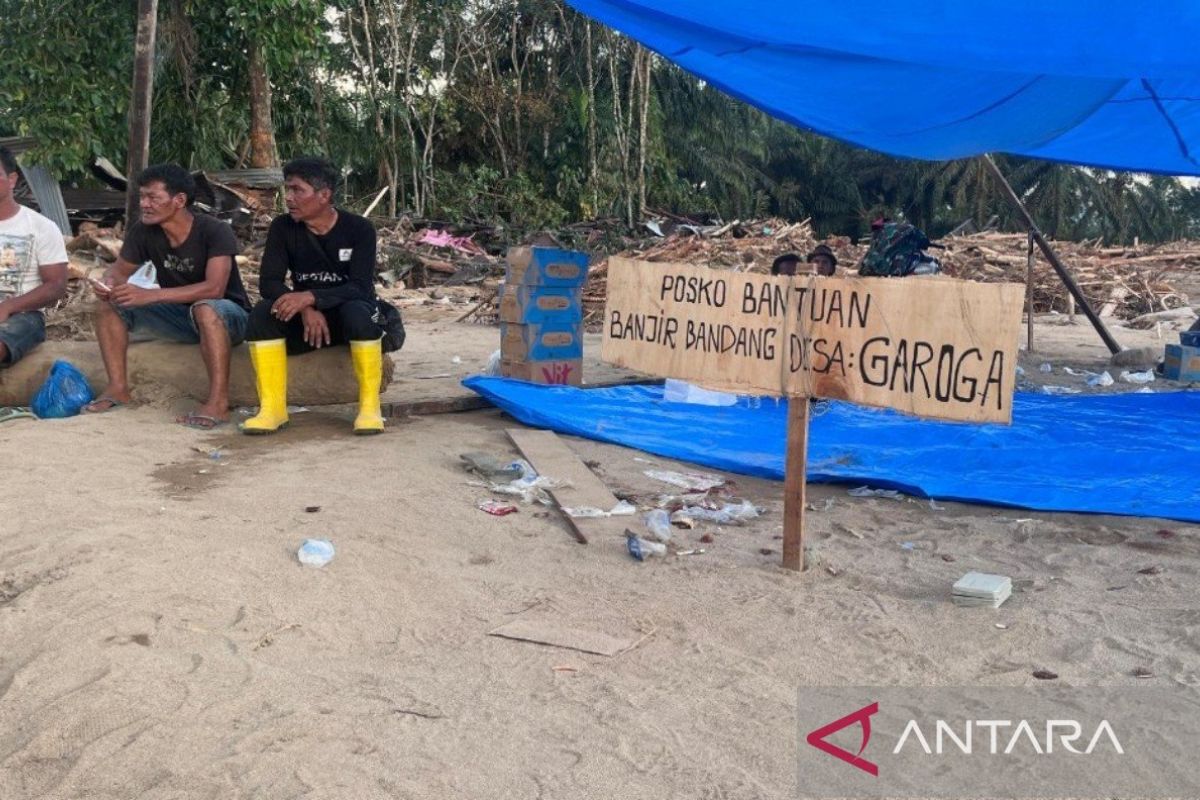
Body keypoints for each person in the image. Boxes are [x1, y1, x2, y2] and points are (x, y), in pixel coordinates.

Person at [87, 164, 250, 428]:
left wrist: (150, 296)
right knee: (108, 306)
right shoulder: (143, 231)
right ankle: (118, 388)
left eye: (153, 197)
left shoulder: (214, 230)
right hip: (181, 317)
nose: (145, 204)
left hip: (229, 318)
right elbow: (118, 271)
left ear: (179, 200)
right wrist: (107, 284)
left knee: (205, 307)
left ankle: (218, 403)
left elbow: (214, 289)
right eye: (142, 197)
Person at [241, 157, 385, 435]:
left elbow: (359, 287)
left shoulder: (359, 229)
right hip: (308, 319)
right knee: (262, 312)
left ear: (324, 195)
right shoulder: (283, 227)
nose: (289, 198)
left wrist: (310, 298)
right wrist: (305, 307)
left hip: (347, 316)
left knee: (358, 310)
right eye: (288, 190)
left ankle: (369, 407)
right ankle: (272, 409)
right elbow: (269, 283)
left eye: (297, 190)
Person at [0, 145, 68, 368]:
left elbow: (57, 285)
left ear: (12, 179)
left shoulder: (40, 227)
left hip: (22, 316)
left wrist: (8, 306)